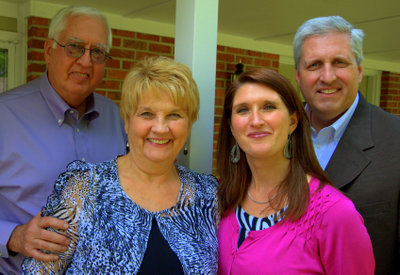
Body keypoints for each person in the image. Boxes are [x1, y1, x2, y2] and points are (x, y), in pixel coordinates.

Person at [22, 56, 219, 274]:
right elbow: (40, 270)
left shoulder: (208, 196)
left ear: (189, 124)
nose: (161, 128)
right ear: (126, 120)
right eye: (147, 114)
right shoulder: (84, 189)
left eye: (174, 115)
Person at [0, 6, 127, 274]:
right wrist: (13, 236)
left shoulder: (117, 118)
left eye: (97, 52)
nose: (85, 61)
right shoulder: (4, 116)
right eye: (74, 47)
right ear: (48, 50)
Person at [217, 68, 374, 274]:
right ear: (231, 127)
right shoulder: (220, 196)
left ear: (293, 121)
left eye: (268, 107)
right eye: (243, 110)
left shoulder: (334, 214)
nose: (255, 120)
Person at [293, 16, 400, 274]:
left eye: (339, 63)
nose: (327, 77)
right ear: (298, 75)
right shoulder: (278, 135)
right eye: (314, 65)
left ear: (360, 70)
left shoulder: (395, 140)